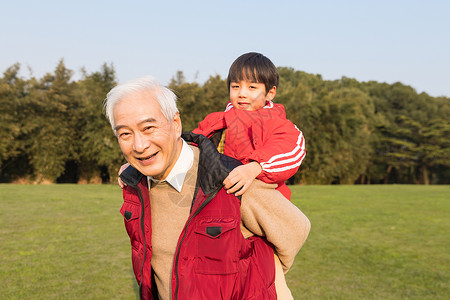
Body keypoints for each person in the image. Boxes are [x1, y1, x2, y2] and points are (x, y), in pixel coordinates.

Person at [104, 76, 310, 299]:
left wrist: (264, 278)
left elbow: (295, 230)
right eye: (125, 134)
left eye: (149, 128)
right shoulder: (134, 185)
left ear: (175, 124)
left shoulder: (231, 179)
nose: (139, 145)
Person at [193, 52, 305, 200]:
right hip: (217, 203)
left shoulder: (278, 125)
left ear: (270, 93)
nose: (242, 93)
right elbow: (192, 148)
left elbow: (289, 151)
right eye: (236, 86)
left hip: (263, 204)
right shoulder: (214, 121)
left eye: (252, 87)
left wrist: (255, 167)